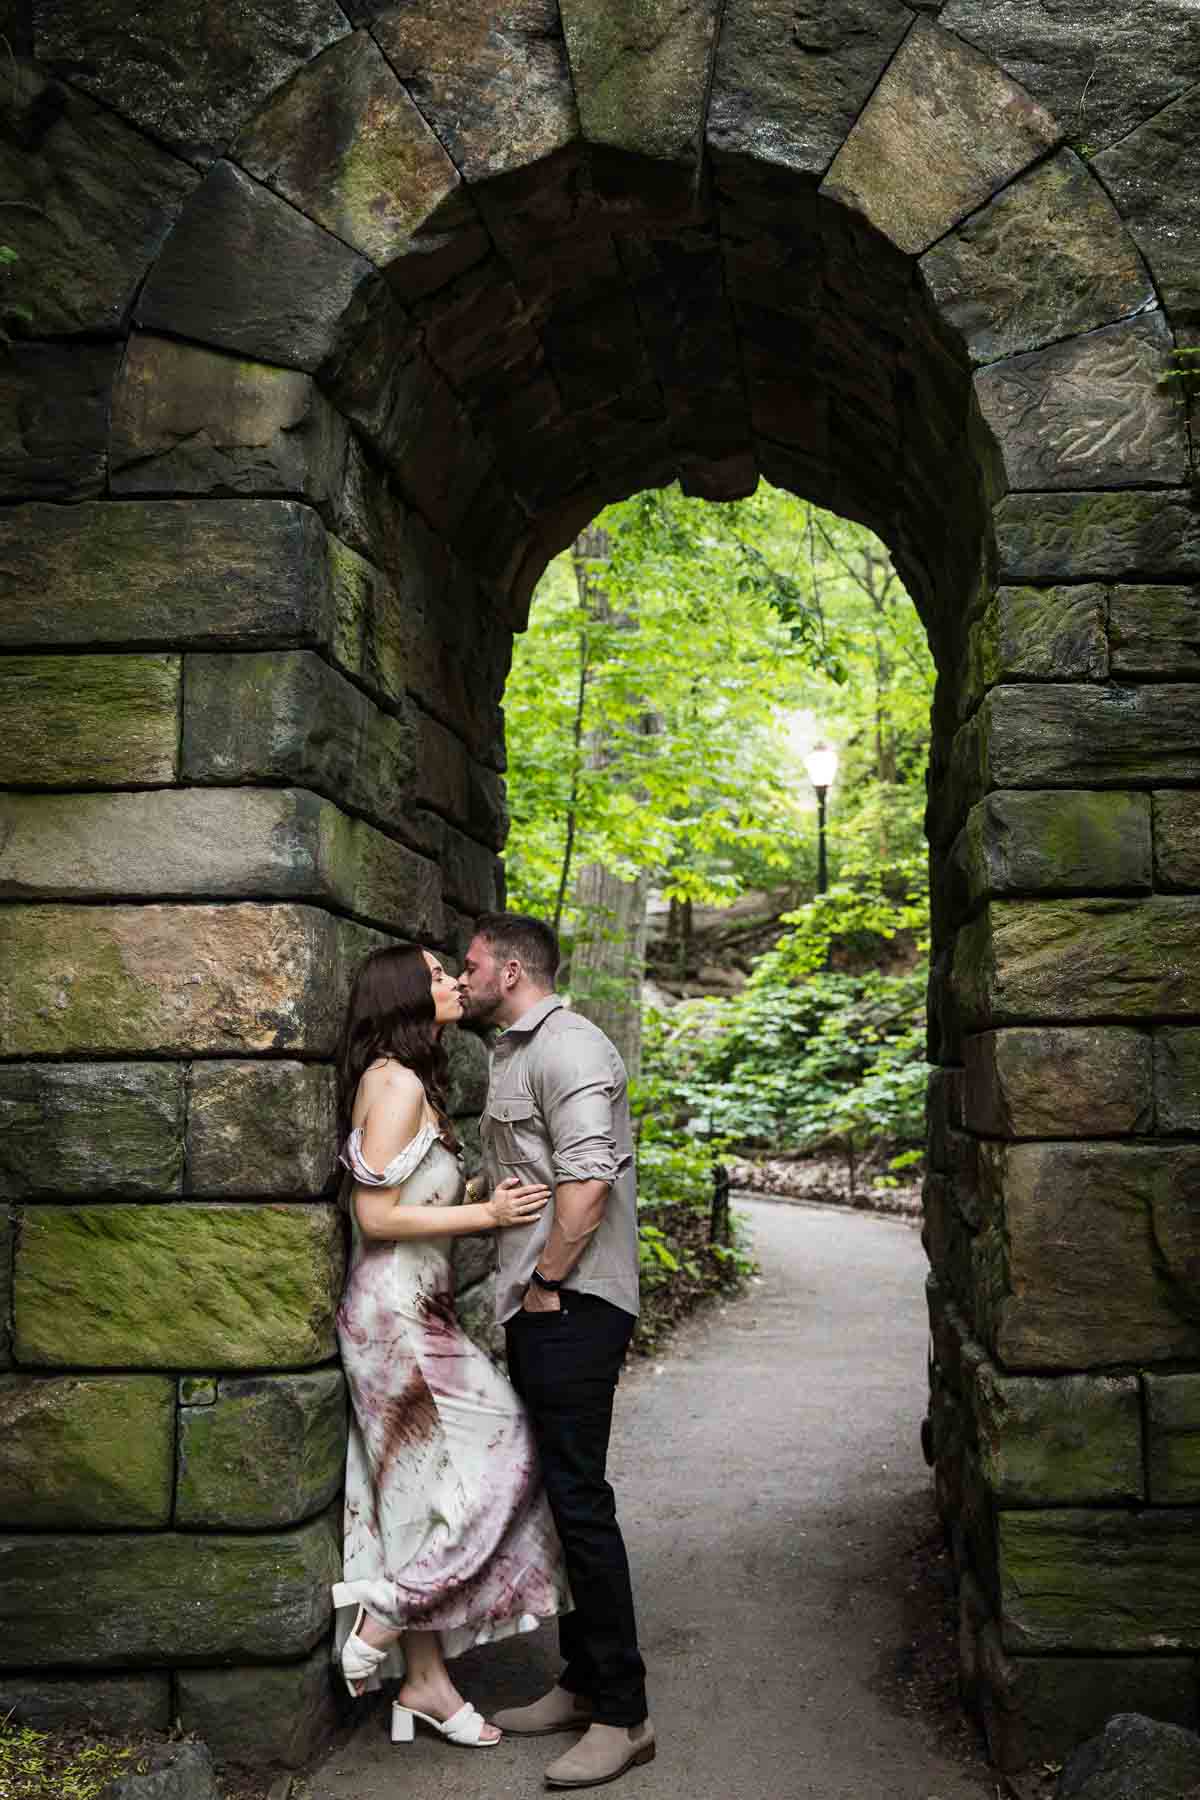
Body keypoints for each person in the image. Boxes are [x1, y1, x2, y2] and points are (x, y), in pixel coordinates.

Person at [330, 943, 570, 1750]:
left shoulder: (410, 1080)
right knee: (512, 1454)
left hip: (417, 1312)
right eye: (436, 975)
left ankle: (426, 1685)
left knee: (415, 1496)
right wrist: (486, 1217)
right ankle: (390, 1612)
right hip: (395, 1318)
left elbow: (410, 1195)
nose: (452, 983)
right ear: (402, 994)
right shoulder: (394, 1084)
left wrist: (469, 1191)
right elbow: (376, 1219)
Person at [458, 911, 655, 1789]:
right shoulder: (516, 1050)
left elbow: (587, 1184)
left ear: (508, 970)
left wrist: (544, 1284)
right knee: (560, 1498)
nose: (459, 980)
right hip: (539, 1302)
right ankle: (580, 1684)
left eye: (467, 967)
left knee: (581, 1502)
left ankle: (625, 1714)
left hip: (569, 1303)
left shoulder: (570, 1047)